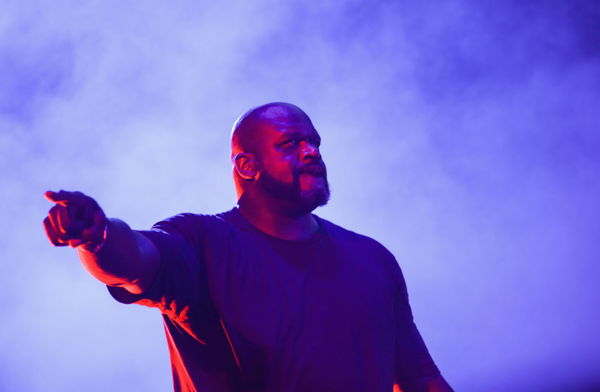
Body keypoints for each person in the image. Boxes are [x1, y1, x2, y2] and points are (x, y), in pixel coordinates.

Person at [43, 102, 453, 392]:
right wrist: (96, 238)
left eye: (315, 142)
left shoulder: (372, 259)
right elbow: (134, 261)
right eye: (291, 144)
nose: (312, 152)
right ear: (247, 166)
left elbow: (421, 379)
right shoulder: (202, 242)